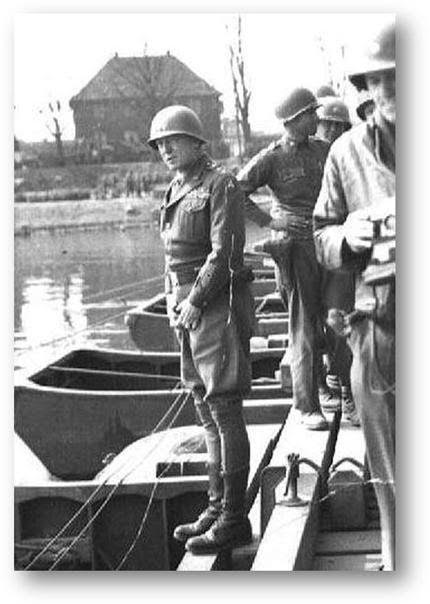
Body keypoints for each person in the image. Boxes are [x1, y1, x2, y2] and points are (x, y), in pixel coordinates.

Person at [147, 105, 254, 555]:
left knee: (224, 407)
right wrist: (174, 300)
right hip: (186, 308)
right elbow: (171, 257)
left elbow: (224, 253)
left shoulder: (220, 183)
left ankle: (234, 518)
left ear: (196, 141)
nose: (166, 149)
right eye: (160, 144)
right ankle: (215, 508)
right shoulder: (176, 188)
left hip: (214, 307)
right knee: (204, 409)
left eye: (173, 140)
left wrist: (194, 300)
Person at [313, 21, 395, 570]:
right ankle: (395, 544)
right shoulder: (345, 153)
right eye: (378, 79)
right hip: (380, 325)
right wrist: (347, 236)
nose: (390, 90)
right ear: (366, 86)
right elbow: (320, 235)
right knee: (386, 450)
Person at [237, 87, 330, 430]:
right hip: (295, 248)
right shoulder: (271, 158)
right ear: (294, 120)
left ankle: (330, 387)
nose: (317, 119)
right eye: (311, 114)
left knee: (333, 317)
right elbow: (235, 191)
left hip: (326, 241)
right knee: (303, 324)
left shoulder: (323, 150)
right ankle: (307, 406)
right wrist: (271, 221)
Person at [315, 96, 360, 426]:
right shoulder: (303, 156)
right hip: (310, 249)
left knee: (342, 317)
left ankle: (347, 389)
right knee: (312, 324)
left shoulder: (351, 156)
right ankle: (325, 383)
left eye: (338, 125)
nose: (331, 130)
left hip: (342, 251)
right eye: (325, 124)